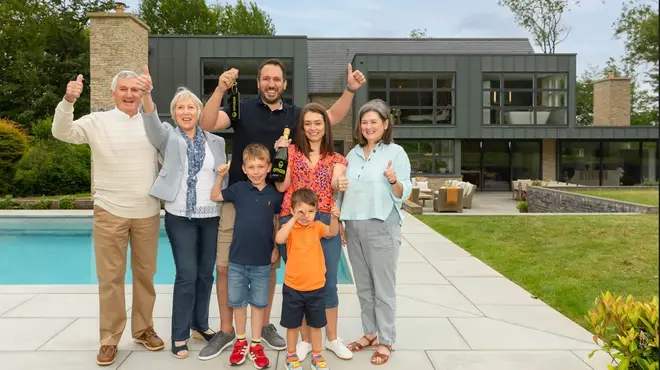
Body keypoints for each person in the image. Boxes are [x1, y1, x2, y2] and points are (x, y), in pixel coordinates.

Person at [198, 58, 365, 358]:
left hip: (274, 201)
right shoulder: (242, 107)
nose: (271, 84)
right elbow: (207, 123)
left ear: (284, 84)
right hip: (238, 196)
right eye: (265, 79)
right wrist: (220, 89)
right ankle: (227, 330)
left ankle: (261, 330)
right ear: (259, 81)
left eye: (276, 79)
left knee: (268, 267)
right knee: (224, 266)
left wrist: (350, 90)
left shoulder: (295, 114)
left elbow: (330, 118)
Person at [51, 71, 164, 366]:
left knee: (145, 276)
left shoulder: (152, 125)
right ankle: (109, 339)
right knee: (110, 278)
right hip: (110, 210)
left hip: (147, 212)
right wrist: (68, 100)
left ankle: (143, 329)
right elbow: (61, 132)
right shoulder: (96, 121)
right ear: (112, 93)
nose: (129, 95)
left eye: (134, 90)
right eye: (123, 89)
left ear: (141, 95)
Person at [136, 67, 227, 359]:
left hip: (211, 214)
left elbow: (220, 178)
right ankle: (179, 333)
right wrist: (148, 94)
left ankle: (200, 324)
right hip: (180, 215)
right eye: (179, 108)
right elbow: (150, 121)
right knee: (186, 274)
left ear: (199, 112)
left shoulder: (217, 142)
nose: (185, 112)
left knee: (205, 275)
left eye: (190, 107)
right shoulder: (167, 137)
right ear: (173, 113)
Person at [274, 103, 352, 361]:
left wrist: (339, 182)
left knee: (327, 282)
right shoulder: (292, 151)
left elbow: (334, 183)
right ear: (301, 127)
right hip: (293, 219)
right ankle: (306, 340)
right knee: (301, 283)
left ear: (325, 126)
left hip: (322, 220)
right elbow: (282, 185)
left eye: (318, 123)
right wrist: (280, 157)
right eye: (307, 123)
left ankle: (331, 339)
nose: (313, 128)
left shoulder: (336, 158)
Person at [340, 99, 412, 366]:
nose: (368, 126)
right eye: (364, 122)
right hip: (354, 226)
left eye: (374, 122)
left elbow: (405, 190)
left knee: (383, 288)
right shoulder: (352, 154)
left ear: (385, 124)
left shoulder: (396, 152)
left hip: (382, 225)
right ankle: (370, 333)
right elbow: (343, 188)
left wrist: (394, 180)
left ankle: (385, 340)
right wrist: (340, 221)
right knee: (364, 287)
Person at [210, 143, 283, 369]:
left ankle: (256, 343)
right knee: (239, 303)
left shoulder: (274, 193)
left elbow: (277, 222)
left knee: (259, 304)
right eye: (251, 167)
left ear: (269, 167)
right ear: (243, 168)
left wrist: (275, 249)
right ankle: (240, 341)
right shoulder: (239, 189)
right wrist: (220, 176)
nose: (256, 171)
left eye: (261, 166)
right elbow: (214, 196)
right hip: (238, 261)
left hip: (262, 261)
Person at [275, 188, 340, 370]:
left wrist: (334, 218)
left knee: (316, 325)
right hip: (293, 287)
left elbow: (332, 232)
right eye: (301, 211)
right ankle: (291, 355)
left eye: (311, 211)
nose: (306, 215)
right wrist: (293, 219)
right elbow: (279, 239)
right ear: (293, 210)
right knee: (292, 325)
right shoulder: (290, 228)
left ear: (316, 211)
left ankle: (317, 355)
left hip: (316, 287)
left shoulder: (317, 226)